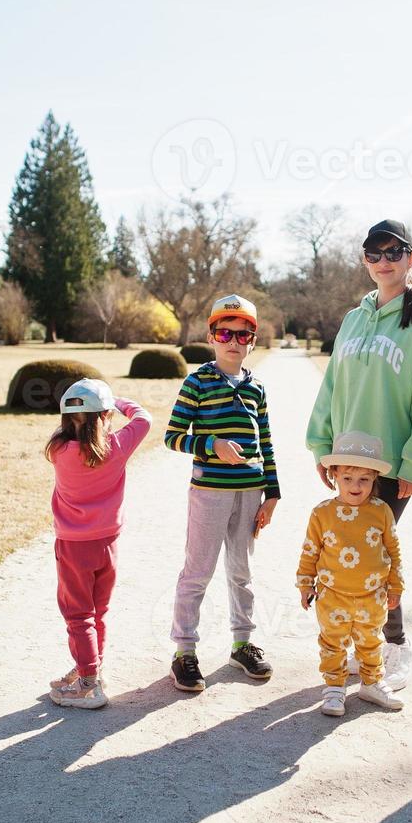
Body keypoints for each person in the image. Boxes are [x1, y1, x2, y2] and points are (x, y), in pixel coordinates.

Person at [306, 219, 412, 691]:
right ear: (365, 261)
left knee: (374, 555)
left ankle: (395, 647)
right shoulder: (354, 318)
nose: (384, 262)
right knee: (350, 550)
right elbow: (331, 386)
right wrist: (322, 446)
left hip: (390, 462)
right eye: (374, 254)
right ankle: (360, 648)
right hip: (348, 457)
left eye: (394, 252)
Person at [163, 294, 280, 692]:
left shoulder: (256, 388)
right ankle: (184, 651)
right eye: (224, 332)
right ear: (211, 336)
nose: (233, 340)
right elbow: (173, 437)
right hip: (210, 492)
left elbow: (265, 442)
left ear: (253, 339)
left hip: (249, 494)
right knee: (197, 572)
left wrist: (273, 493)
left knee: (241, 573)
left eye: (242, 333)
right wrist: (211, 444)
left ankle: (242, 644)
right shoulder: (197, 382)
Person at [45, 378, 153, 709]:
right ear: (104, 416)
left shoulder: (58, 451)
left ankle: (88, 685)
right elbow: (144, 419)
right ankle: (90, 668)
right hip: (107, 543)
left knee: (78, 614)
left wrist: (101, 407)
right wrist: (118, 401)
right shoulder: (117, 447)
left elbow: (80, 437)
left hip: (73, 546)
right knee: (97, 611)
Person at [296, 431, 406, 717]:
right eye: (347, 478)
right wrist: (305, 584)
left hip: (373, 595)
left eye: (364, 480)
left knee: (371, 642)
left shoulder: (381, 511)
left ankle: (371, 683)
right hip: (333, 595)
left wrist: (396, 587)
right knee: (332, 643)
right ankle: (334, 688)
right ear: (334, 475)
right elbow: (310, 551)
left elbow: (393, 551)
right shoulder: (322, 513)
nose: (355, 486)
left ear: (374, 479)